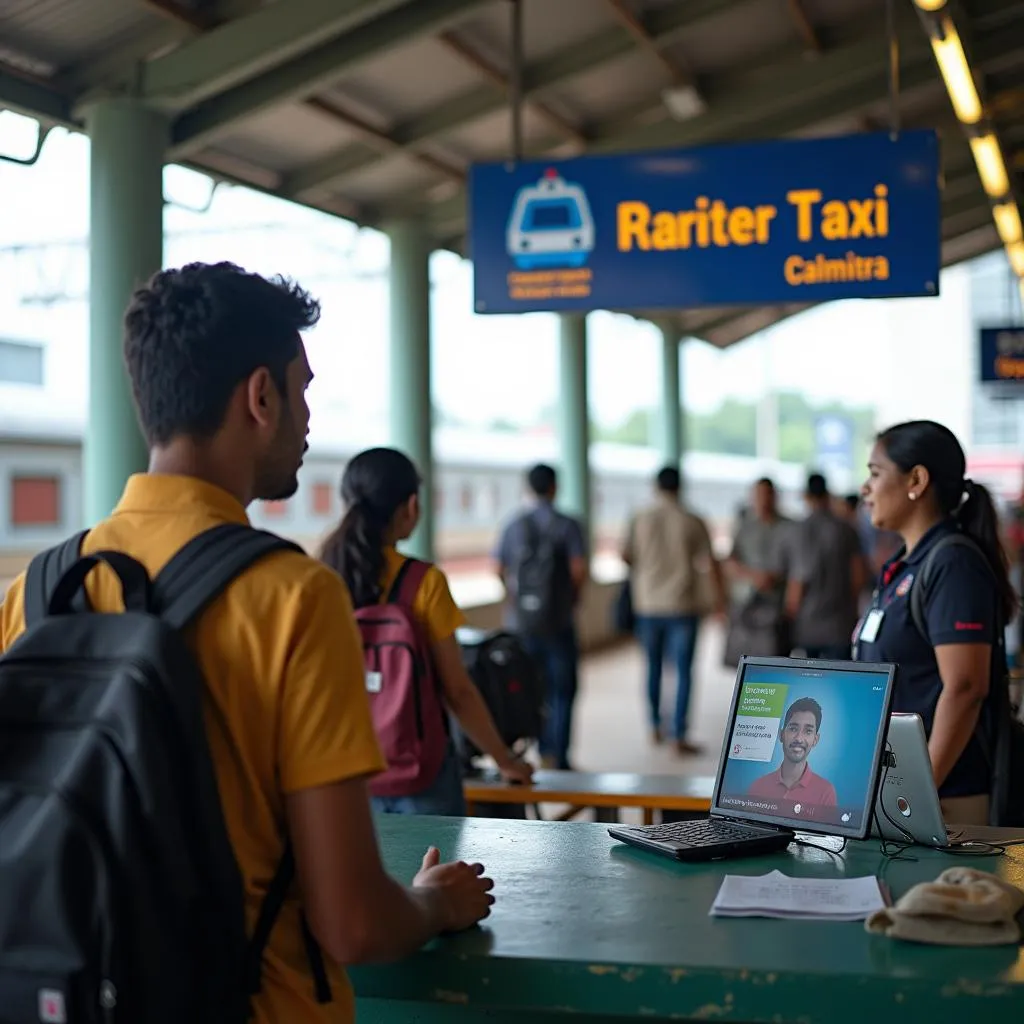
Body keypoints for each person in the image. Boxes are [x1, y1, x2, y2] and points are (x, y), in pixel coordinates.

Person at [0, 262, 495, 1024]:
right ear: (260, 396)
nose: (307, 419)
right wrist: (431, 906)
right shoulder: (291, 598)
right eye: (302, 391)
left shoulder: (37, 590)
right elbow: (355, 924)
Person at [318, 446, 533, 814]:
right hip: (418, 774)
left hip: (343, 769)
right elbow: (458, 691)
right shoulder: (424, 583)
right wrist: (504, 759)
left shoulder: (320, 578)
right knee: (433, 869)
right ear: (412, 505)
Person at [856, 420, 1017, 826]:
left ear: (916, 479)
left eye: (875, 473)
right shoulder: (906, 565)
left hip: (943, 800)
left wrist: (915, 794)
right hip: (899, 793)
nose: (865, 489)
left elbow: (965, 687)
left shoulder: (952, 563)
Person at [622, 466, 726, 753]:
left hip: (648, 604)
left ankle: (655, 725)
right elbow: (710, 561)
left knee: (653, 667)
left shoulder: (639, 518)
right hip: (683, 604)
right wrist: (720, 601)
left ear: (655, 486)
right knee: (683, 670)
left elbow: (626, 555)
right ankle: (678, 733)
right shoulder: (692, 519)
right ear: (680, 487)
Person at [493, 464, 587, 770]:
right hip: (559, 622)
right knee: (563, 688)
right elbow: (578, 570)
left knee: (531, 688)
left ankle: (537, 748)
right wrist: (569, 600)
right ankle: (557, 753)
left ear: (528, 488)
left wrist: (517, 602)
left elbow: (497, 568)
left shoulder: (513, 525)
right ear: (554, 488)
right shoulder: (568, 525)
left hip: (522, 624)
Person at [785, 472, 865, 660]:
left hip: (807, 623)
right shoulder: (846, 529)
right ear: (828, 494)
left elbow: (797, 581)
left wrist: (790, 615)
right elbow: (858, 576)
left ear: (805, 496)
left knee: (808, 682)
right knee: (839, 679)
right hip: (840, 622)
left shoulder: (799, 531)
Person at [723, 477, 793, 665]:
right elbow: (731, 561)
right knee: (745, 663)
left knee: (774, 662)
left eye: (767, 495)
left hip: (776, 606)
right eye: (758, 495)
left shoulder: (789, 527)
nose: (762, 500)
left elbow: (800, 566)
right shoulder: (744, 527)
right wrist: (752, 576)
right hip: (746, 604)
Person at [748, 697, 837, 816]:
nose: (799, 738)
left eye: (808, 731)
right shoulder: (758, 787)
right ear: (781, 735)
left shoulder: (826, 792)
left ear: (815, 740)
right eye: (793, 729)